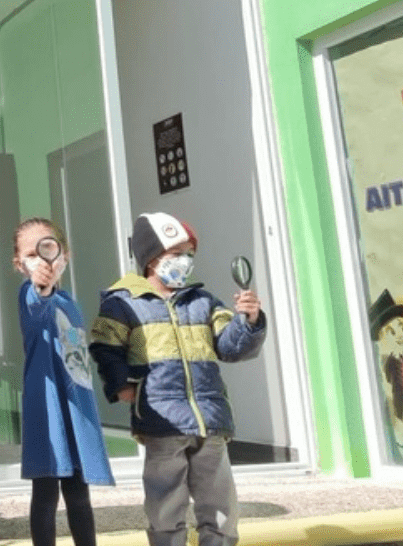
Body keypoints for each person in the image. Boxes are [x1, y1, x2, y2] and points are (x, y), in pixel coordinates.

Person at [89, 212, 266, 546]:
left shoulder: (203, 301)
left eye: (189, 255)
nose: (185, 262)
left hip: (209, 421)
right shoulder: (123, 303)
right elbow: (105, 348)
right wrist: (120, 386)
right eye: (176, 255)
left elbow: (230, 347)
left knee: (220, 505)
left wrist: (249, 321)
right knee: (166, 504)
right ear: (151, 260)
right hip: (161, 420)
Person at [12, 218, 113, 546]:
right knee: (45, 493)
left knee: (79, 494)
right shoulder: (30, 293)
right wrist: (41, 287)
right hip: (48, 408)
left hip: (76, 409)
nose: (43, 260)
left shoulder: (70, 301)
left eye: (50, 248)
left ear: (64, 254)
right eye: (32, 254)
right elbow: (37, 309)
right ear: (19, 264)